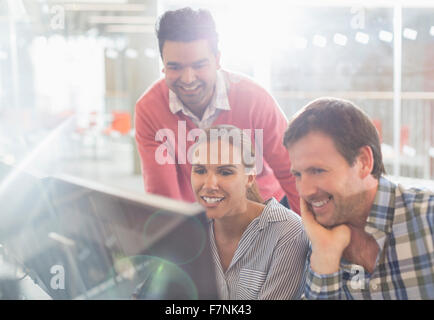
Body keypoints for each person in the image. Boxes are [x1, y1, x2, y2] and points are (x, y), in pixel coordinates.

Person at [134, 7, 300, 213]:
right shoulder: (149, 109)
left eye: (199, 65)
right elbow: (163, 196)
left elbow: (292, 173)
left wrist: (310, 238)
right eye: (175, 67)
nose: (188, 79)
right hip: (200, 213)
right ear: (163, 65)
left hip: (263, 208)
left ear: (218, 60)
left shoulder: (255, 100)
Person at [283, 97, 434, 299]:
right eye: (298, 175)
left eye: (318, 170)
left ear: (364, 162)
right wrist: (325, 257)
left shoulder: (428, 218)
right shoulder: (315, 240)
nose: (305, 191)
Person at [190, 125, 309, 300]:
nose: (209, 185)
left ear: (250, 178)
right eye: (200, 170)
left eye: (225, 172)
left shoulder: (289, 232)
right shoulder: (188, 229)